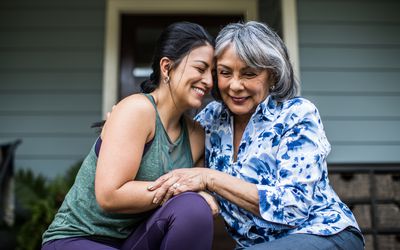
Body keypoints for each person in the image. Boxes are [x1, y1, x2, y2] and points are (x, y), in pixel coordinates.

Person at [149, 21, 364, 249]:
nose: (235, 85)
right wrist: (133, 118)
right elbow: (170, 152)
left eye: (249, 73)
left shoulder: (296, 115)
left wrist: (209, 178)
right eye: (224, 73)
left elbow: (294, 207)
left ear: (272, 75)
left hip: (323, 233)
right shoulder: (210, 119)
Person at [41, 22, 216, 250]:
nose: (210, 82)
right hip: (79, 238)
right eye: (200, 68)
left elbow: (200, 199)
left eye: (212, 73)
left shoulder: (196, 136)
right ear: (166, 67)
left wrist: (198, 191)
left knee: (194, 208)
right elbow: (110, 196)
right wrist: (179, 188)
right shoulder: (137, 110)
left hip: (135, 241)